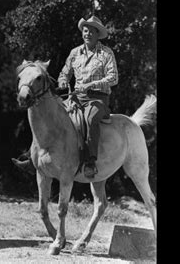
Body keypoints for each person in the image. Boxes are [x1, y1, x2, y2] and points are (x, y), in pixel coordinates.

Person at [12, 16, 118, 179]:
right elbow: (64, 73)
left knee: (89, 120)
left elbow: (113, 78)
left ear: (98, 34)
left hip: (98, 99)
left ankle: (90, 162)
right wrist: (63, 82)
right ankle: (34, 157)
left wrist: (91, 84)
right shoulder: (75, 53)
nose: (87, 33)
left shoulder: (106, 53)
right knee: (49, 115)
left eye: (91, 31)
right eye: (85, 30)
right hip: (76, 97)